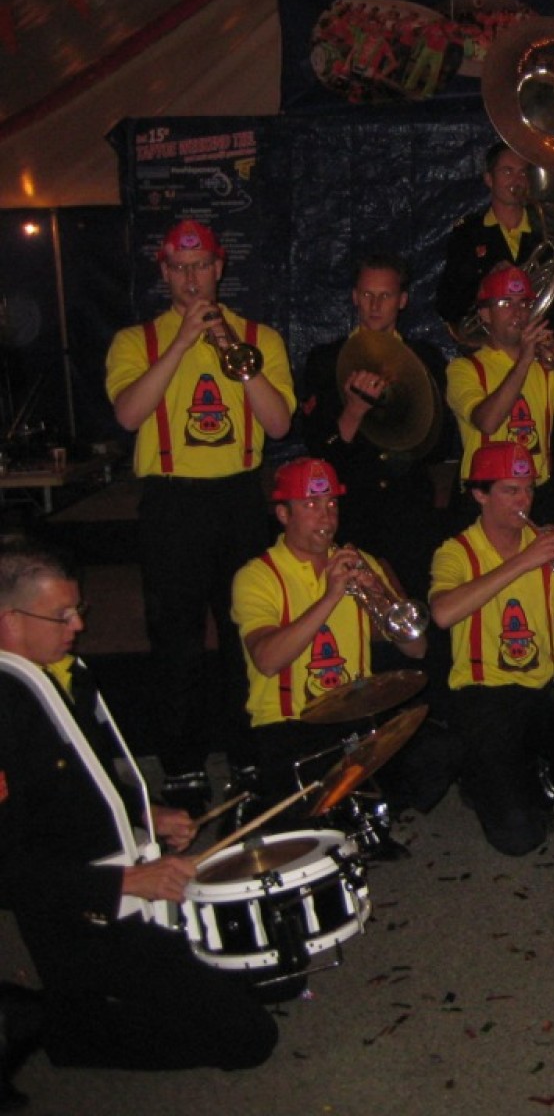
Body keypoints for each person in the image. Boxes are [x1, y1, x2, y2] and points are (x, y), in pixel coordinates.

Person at [0, 540, 277, 1096]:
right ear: (9, 621)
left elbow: (79, 783)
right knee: (248, 1036)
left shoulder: (60, 673)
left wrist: (147, 813)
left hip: (126, 877)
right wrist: (128, 881)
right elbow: (9, 872)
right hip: (80, 918)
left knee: (267, 971)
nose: (79, 625)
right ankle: (65, 1029)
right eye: (62, 615)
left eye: (78, 609)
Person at [104, 219, 295, 805]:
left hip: (238, 498)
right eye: (180, 269)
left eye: (202, 267)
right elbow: (128, 415)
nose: (191, 279)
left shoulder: (259, 337)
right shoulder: (135, 341)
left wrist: (231, 349)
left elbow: (278, 425)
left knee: (246, 633)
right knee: (175, 640)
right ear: (164, 273)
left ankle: (249, 755)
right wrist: (183, 343)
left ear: (219, 268)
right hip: (173, 501)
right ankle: (183, 765)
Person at [230, 458, 456, 828]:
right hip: (290, 725)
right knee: (311, 823)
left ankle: (371, 815)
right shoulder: (257, 576)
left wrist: (379, 598)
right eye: (311, 505)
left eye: (332, 503)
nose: (326, 516)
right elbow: (267, 660)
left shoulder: (360, 562)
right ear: (283, 514)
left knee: (438, 749)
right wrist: (331, 596)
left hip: (355, 715)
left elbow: (416, 649)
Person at [429, 442, 554, 856]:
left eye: (528, 489)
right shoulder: (456, 552)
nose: (523, 501)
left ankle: (543, 786)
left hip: (542, 691)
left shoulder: (544, 548)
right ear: (480, 494)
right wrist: (524, 561)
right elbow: (443, 613)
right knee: (518, 839)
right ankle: (486, 779)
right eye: (510, 490)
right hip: (484, 698)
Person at [436, 142, 554, 521]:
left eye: (523, 172)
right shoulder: (469, 233)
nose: (517, 179)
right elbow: (448, 303)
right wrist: (487, 284)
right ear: (488, 179)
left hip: (542, 347)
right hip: (492, 348)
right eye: (507, 171)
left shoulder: (548, 228)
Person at [297, 253, 452, 600]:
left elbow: (441, 444)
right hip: (351, 513)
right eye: (367, 294)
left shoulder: (426, 359)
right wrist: (353, 412)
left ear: (402, 300)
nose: (375, 305)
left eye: (385, 296)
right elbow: (319, 450)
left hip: (409, 511)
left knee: (418, 607)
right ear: (354, 296)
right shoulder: (325, 360)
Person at [445, 264, 554, 528]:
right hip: (486, 495)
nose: (518, 312)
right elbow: (487, 422)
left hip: (536, 493)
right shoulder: (464, 369)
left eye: (524, 303)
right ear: (485, 314)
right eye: (505, 303)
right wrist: (524, 360)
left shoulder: (544, 368)